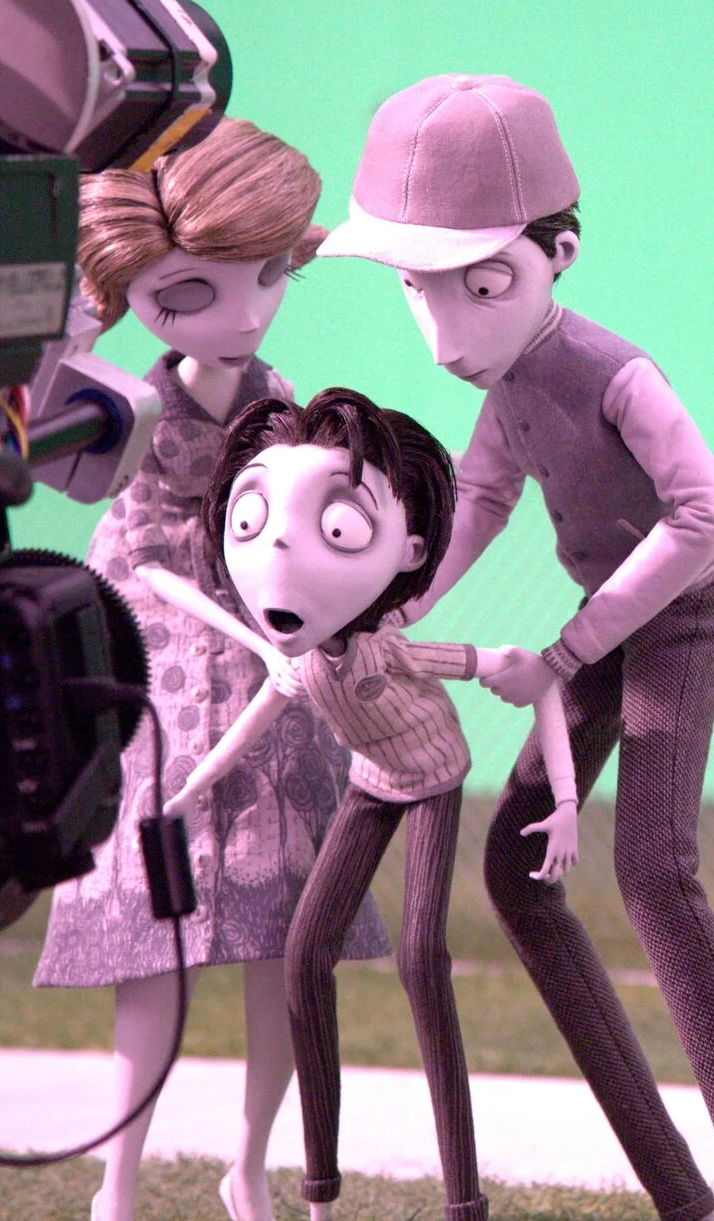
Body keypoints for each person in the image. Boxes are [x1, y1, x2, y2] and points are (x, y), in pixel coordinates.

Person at [318, 73, 714, 1221]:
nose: (448, 332)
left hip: (678, 618)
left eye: (484, 285)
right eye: (417, 289)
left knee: (654, 874)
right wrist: (397, 607)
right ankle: (681, 1193)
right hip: (600, 627)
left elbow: (704, 518)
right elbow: (483, 496)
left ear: (559, 255)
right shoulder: (504, 387)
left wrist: (568, 648)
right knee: (517, 872)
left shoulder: (612, 374)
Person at [33, 117, 390, 1221]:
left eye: (269, 276)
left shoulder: (283, 401)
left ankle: (250, 1165)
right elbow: (135, 553)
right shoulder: (131, 411)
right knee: (155, 951)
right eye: (191, 294)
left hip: (273, 686)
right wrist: (242, 630)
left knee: (286, 949)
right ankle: (117, 1183)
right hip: (164, 684)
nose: (243, 313)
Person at [163, 385, 577, 1221]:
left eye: (341, 529)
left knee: (422, 960)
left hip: (434, 779)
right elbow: (244, 730)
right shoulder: (301, 663)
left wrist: (565, 798)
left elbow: (526, 673)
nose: (282, 545)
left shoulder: (395, 652)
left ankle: (463, 1201)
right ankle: (319, 1195)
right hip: (371, 782)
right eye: (251, 520)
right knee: (303, 955)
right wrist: (186, 793)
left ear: (409, 548)